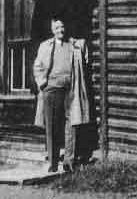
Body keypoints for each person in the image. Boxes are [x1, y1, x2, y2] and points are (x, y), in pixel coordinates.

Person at [33, 18, 91, 172]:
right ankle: (52, 162)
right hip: (51, 90)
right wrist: (43, 84)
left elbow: (83, 44)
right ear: (53, 30)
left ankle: (69, 161)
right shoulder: (45, 46)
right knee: (51, 125)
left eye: (63, 27)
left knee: (71, 123)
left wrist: (82, 44)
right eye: (57, 28)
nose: (61, 30)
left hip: (69, 89)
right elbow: (37, 66)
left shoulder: (72, 45)